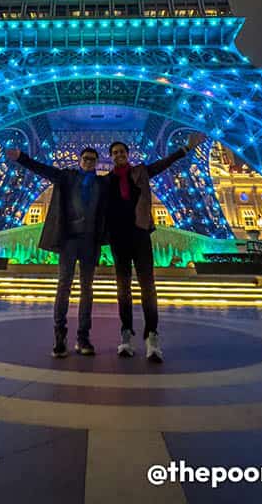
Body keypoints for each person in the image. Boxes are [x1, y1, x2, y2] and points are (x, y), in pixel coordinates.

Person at [106, 133, 206, 362]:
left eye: (122, 151)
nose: (119, 155)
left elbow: (163, 163)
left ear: (127, 154)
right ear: (111, 157)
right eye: (115, 153)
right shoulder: (106, 181)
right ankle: (126, 333)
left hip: (140, 234)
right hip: (119, 239)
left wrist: (186, 148)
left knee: (148, 286)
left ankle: (152, 335)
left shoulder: (141, 171)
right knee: (123, 288)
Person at [6, 145, 108, 358]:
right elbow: (44, 169)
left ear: (97, 162)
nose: (89, 161)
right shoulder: (67, 177)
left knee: (87, 289)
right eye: (86, 158)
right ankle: (60, 336)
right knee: (64, 286)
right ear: (79, 160)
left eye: (92, 159)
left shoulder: (102, 183)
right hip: (69, 239)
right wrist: (22, 158)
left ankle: (83, 337)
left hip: (90, 242)